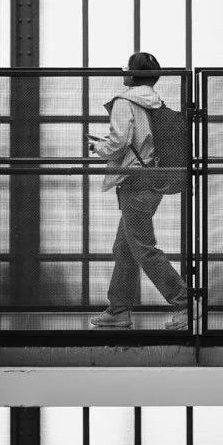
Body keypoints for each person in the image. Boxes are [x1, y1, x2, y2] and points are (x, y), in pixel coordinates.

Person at [88, 51, 190, 331]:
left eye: (127, 69)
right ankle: (119, 310)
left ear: (133, 75)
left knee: (142, 247)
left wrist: (98, 147)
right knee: (125, 247)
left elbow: (119, 142)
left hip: (135, 181)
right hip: (153, 180)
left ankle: (184, 303)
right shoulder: (155, 102)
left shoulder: (125, 101)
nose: (124, 72)